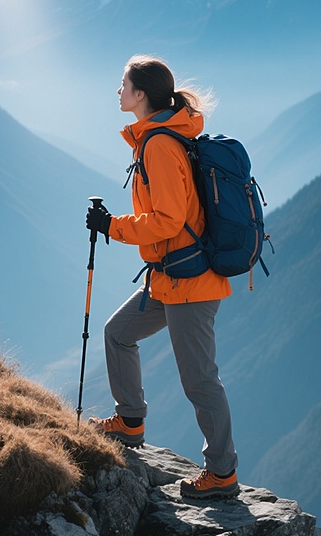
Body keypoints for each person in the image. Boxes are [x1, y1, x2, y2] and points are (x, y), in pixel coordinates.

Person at [86, 54, 239, 500]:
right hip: (169, 278)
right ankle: (130, 421)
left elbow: (169, 220)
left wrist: (113, 226)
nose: (118, 91)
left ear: (141, 95)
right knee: (118, 333)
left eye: (123, 84)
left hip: (189, 284)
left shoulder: (159, 145)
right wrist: (114, 223)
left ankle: (221, 472)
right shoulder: (157, 138)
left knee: (199, 380)